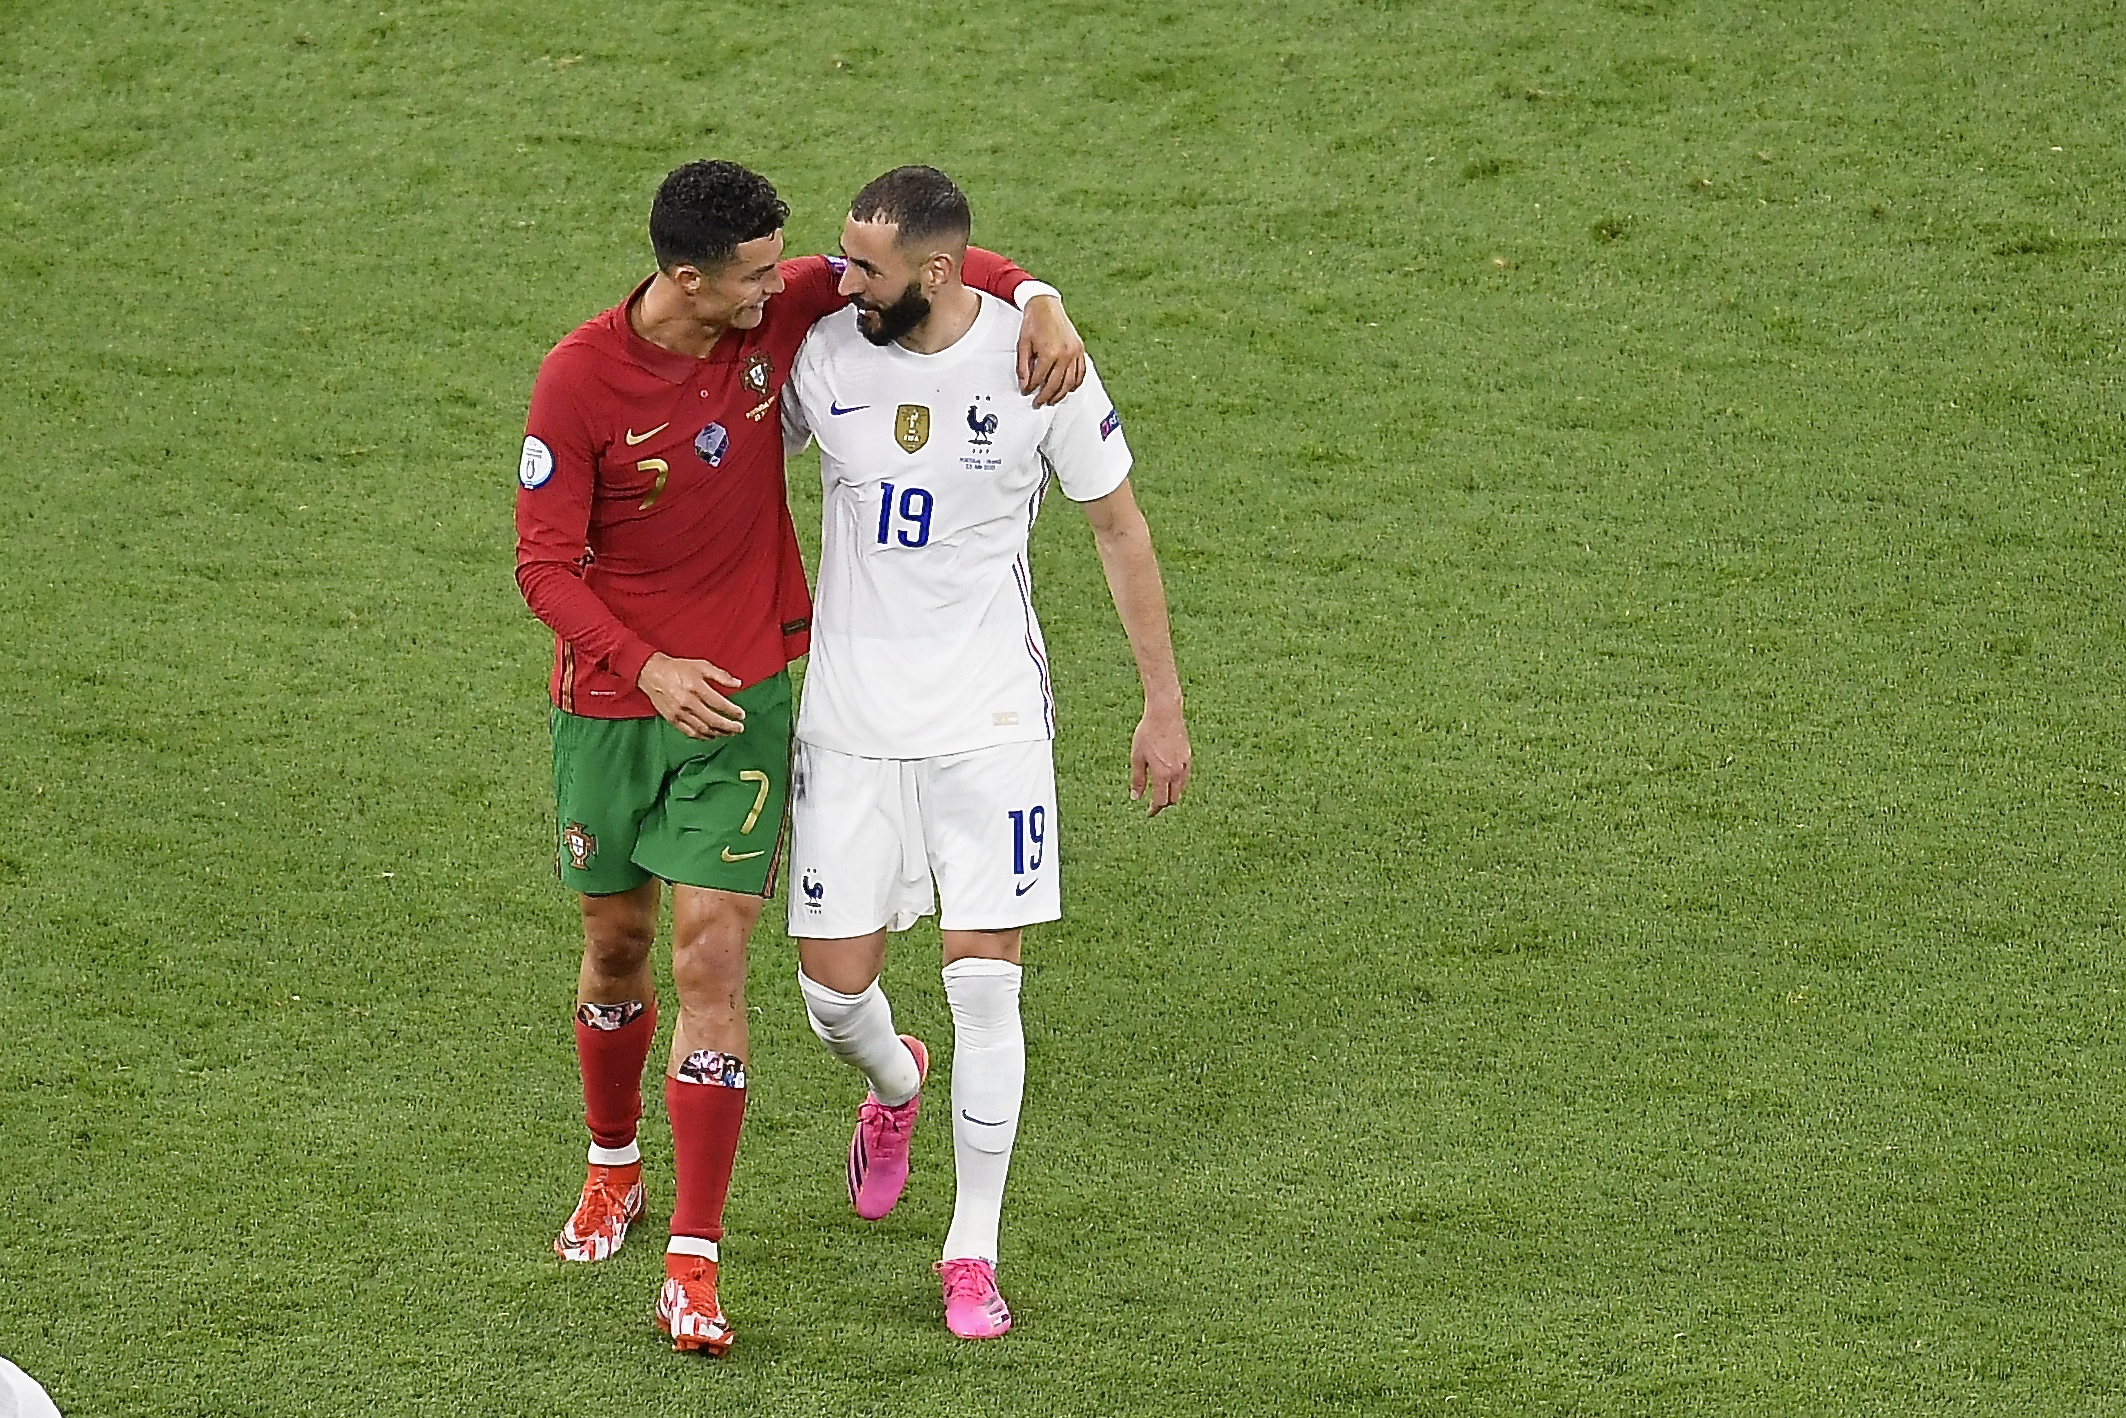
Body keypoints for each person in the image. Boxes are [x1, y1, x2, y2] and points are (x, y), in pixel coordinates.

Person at [513, 158, 1086, 1355]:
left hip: (748, 703)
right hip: (616, 708)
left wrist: (1038, 291)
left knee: (712, 952)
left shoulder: (774, 308)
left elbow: (932, 264)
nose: (796, 287)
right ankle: (613, 1161)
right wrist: (644, 663)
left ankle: (694, 1258)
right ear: (690, 279)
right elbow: (542, 566)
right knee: (614, 945)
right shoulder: (577, 381)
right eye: (762, 273)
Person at [779, 165, 1190, 1339]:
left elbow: (1117, 526)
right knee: (829, 991)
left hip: (987, 718)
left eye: (865, 263)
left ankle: (971, 1247)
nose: (840, 276)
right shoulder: (826, 351)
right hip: (849, 723)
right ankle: (893, 1081)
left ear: (939, 273)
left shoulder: (1037, 364)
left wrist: (1160, 704)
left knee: (985, 980)